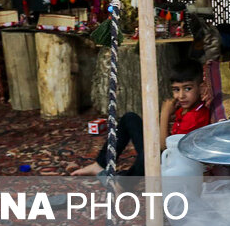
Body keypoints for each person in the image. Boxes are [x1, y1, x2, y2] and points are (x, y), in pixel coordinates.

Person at [68, 59, 210, 176]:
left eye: (187, 88)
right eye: (176, 89)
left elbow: (164, 148)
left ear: (201, 88)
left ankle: (124, 182)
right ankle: (100, 164)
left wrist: (164, 114)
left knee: (149, 154)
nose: (181, 96)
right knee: (130, 118)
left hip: (174, 164)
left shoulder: (195, 117)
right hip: (170, 155)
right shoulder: (187, 108)